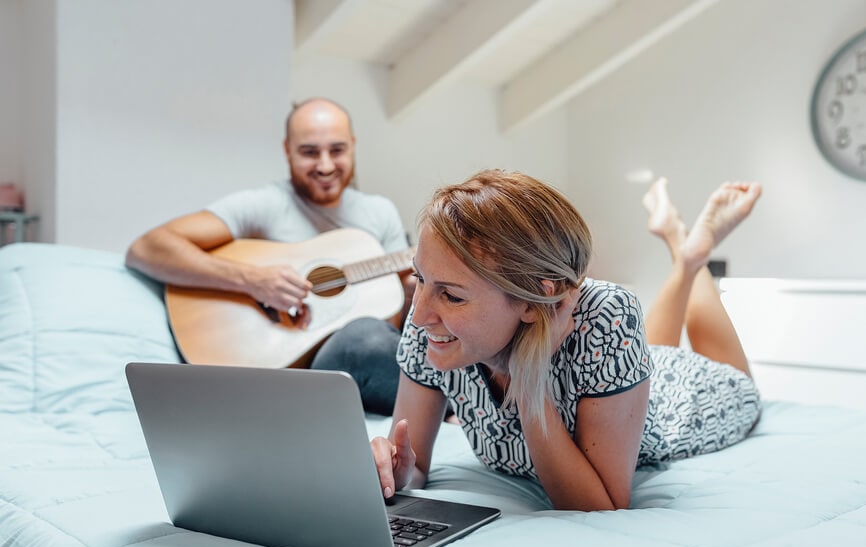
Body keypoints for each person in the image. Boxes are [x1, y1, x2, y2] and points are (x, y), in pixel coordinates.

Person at [370, 169, 763, 511]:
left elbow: (600, 506)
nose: (419, 316)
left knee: (738, 381)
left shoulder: (605, 315)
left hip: (681, 400)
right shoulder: (436, 326)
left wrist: (528, 378)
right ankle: (684, 248)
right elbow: (415, 466)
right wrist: (397, 472)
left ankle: (689, 252)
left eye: (452, 296)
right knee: (649, 351)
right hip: (626, 377)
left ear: (534, 298)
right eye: (420, 279)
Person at [125, 97, 411, 415]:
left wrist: (419, 289)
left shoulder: (380, 213)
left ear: (354, 146)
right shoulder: (266, 206)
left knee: (404, 343)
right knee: (366, 340)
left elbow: (397, 327)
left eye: (338, 150)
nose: (326, 165)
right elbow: (147, 248)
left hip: (363, 363)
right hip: (287, 373)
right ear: (287, 150)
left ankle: (456, 411)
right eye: (310, 152)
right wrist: (253, 280)